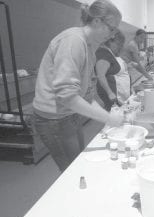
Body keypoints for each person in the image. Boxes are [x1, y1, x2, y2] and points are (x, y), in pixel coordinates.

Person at [32, 0, 123, 172]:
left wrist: (108, 114)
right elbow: (67, 97)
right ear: (97, 21)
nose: (112, 35)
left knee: (79, 163)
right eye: (112, 29)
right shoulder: (73, 41)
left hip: (68, 116)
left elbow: (86, 96)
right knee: (72, 171)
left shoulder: (89, 48)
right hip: (53, 119)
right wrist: (109, 119)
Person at [96, 29, 131, 111]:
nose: (120, 47)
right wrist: (110, 93)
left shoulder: (110, 53)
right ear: (110, 42)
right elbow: (100, 75)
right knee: (113, 114)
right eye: (118, 44)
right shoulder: (103, 53)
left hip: (117, 93)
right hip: (112, 94)